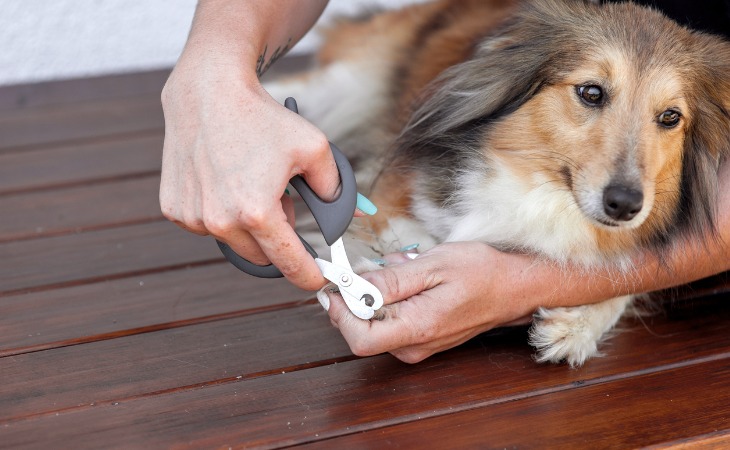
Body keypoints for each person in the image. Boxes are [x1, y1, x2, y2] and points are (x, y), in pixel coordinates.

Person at [160, 0, 730, 363]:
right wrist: (215, 77)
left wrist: (578, 284)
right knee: (321, 98)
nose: (626, 178)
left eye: (667, 117)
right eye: (591, 95)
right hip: (471, 29)